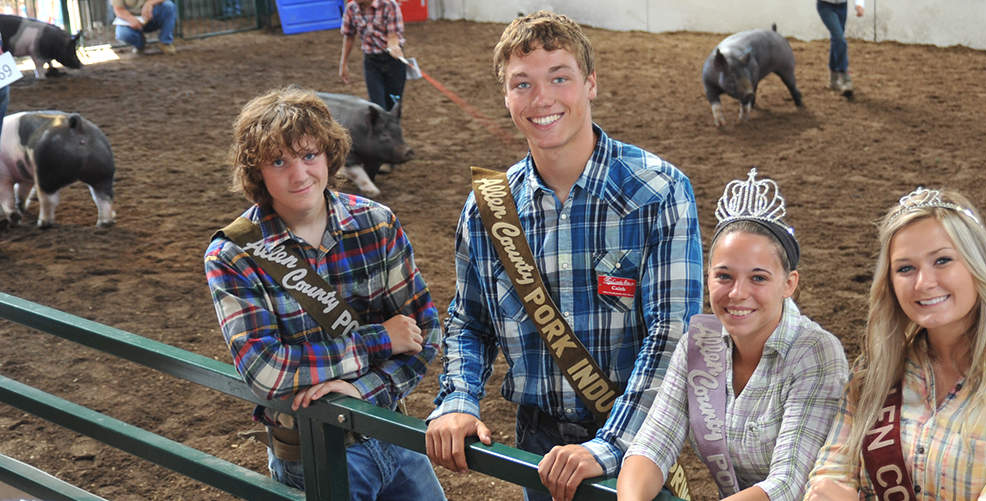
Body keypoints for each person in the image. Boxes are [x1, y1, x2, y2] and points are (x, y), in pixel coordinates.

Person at [423, 10, 704, 501]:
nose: (543, 98)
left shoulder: (658, 190)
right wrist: (458, 398)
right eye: (522, 84)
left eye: (559, 77)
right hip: (538, 447)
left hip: (637, 443)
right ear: (507, 97)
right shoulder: (488, 205)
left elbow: (674, 334)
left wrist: (609, 445)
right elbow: (469, 320)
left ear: (590, 83)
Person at [204, 86, 446, 500]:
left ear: (330, 155)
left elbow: (426, 332)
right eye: (278, 161)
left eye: (309, 156)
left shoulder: (377, 223)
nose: (299, 175)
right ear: (255, 171)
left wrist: (360, 392)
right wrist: (381, 339)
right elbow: (267, 371)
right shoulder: (233, 255)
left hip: (393, 431)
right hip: (311, 454)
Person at [804, 187, 986, 500]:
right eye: (905, 268)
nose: (924, 283)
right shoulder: (875, 371)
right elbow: (828, 480)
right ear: (890, 283)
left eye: (943, 260)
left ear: (978, 266)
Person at [617, 169, 848, 501]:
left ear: (789, 284)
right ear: (708, 278)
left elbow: (789, 483)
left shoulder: (816, 352)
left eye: (758, 278)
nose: (738, 293)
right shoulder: (697, 343)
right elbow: (652, 444)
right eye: (724, 276)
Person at [339, 0, 408, 113]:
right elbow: (349, 37)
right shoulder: (351, 9)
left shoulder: (389, 5)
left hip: (394, 62)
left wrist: (394, 47)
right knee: (377, 108)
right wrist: (343, 64)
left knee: (394, 106)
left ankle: (392, 130)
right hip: (372, 63)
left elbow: (393, 36)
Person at [816, 0, 864, 97]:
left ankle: (833, 79)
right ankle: (845, 77)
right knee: (840, 40)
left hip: (842, 6)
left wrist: (859, 4)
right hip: (825, 5)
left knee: (837, 41)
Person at [111, 0, 176, 55]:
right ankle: (139, 45)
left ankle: (165, 42)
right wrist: (131, 19)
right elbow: (118, 9)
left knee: (168, 6)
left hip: (152, 14)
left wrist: (150, 3)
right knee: (122, 34)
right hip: (130, 19)